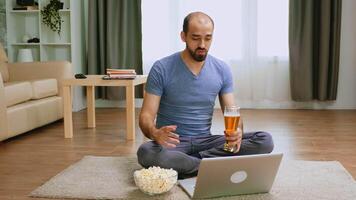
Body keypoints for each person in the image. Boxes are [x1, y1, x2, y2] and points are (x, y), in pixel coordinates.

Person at [137, 12, 274, 178]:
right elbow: (146, 115)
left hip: (206, 142)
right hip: (173, 143)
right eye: (195, 38)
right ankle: (212, 165)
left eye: (208, 38)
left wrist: (237, 132)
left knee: (264, 140)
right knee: (146, 152)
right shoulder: (162, 68)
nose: (202, 44)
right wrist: (155, 133)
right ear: (183, 36)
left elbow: (232, 111)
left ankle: (189, 165)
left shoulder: (222, 69)